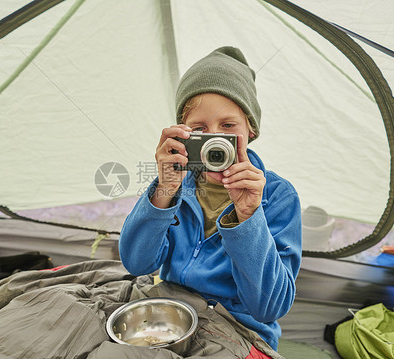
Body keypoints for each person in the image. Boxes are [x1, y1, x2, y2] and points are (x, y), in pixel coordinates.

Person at [119, 46, 302, 351]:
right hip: (171, 315)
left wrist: (248, 217)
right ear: (182, 135)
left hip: (240, 329)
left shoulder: (277, 196)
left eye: (228, 127)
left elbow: (270, 307)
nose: (215, 141)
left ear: (251, 131)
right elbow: (137, 263)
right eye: (200, 130)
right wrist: (164, 189)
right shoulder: (177, 183)